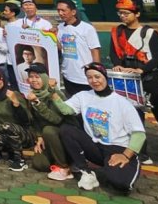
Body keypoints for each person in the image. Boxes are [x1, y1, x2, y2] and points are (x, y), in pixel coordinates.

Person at [109, 0, 158, 174]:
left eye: (126, 13)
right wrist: (118, 65)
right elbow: (114, 54)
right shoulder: (117, 32)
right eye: (120, 13)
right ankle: (140, 152)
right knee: (135, 119)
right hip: (129, 81)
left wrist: (142, 70)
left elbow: (157, 57)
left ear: (136, 14)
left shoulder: (149, 32)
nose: (123, 16)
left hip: (150, 78)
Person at [56, 63, 145, 192]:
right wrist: (53, 93)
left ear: (105, 77)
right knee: (66, 130)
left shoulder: (122, 103)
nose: (94, 81)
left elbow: (139, 135)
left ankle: (125, 166)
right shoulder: (84, 96)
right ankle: (86, 172)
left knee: (121, 185)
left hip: (117, 149)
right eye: (90, 77)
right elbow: (65, 110)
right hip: (95, 147)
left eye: (97, 76)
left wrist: (125, 156)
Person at [23, 63, 72, 180]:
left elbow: (56, 119)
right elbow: (34, 120)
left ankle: (64, 166)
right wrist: (39, 137)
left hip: (62, 133)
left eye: (37, 77)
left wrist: (38, 103)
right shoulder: (32, 95)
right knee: (39, 164)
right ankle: (57, 159)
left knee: (48, 130)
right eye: (31, 77)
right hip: (46, 136)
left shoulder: (55, 93)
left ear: (44, 78)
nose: (34, 80)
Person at [56, 0, 102, 96]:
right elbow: (61, 49)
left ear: (73, 12)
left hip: (85, 76)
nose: (60, 13)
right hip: (68, 74)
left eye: (63, 10)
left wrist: (96, 69)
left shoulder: (87, 28)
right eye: (58, 10)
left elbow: (95, 50)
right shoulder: (59, 28)